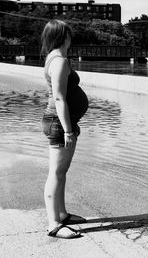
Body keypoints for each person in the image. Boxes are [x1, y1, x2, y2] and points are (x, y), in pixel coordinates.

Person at [41, 20, 89, 239]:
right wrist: (68, 130)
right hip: (60, 123)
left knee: (61, 173)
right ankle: (53, 224)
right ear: (64, 36)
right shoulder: (59, 60)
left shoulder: (54, 57)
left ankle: (62, 214)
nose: (71, 38)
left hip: (63, 122)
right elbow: (59, 98)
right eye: (69, 34)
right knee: (56, 173)